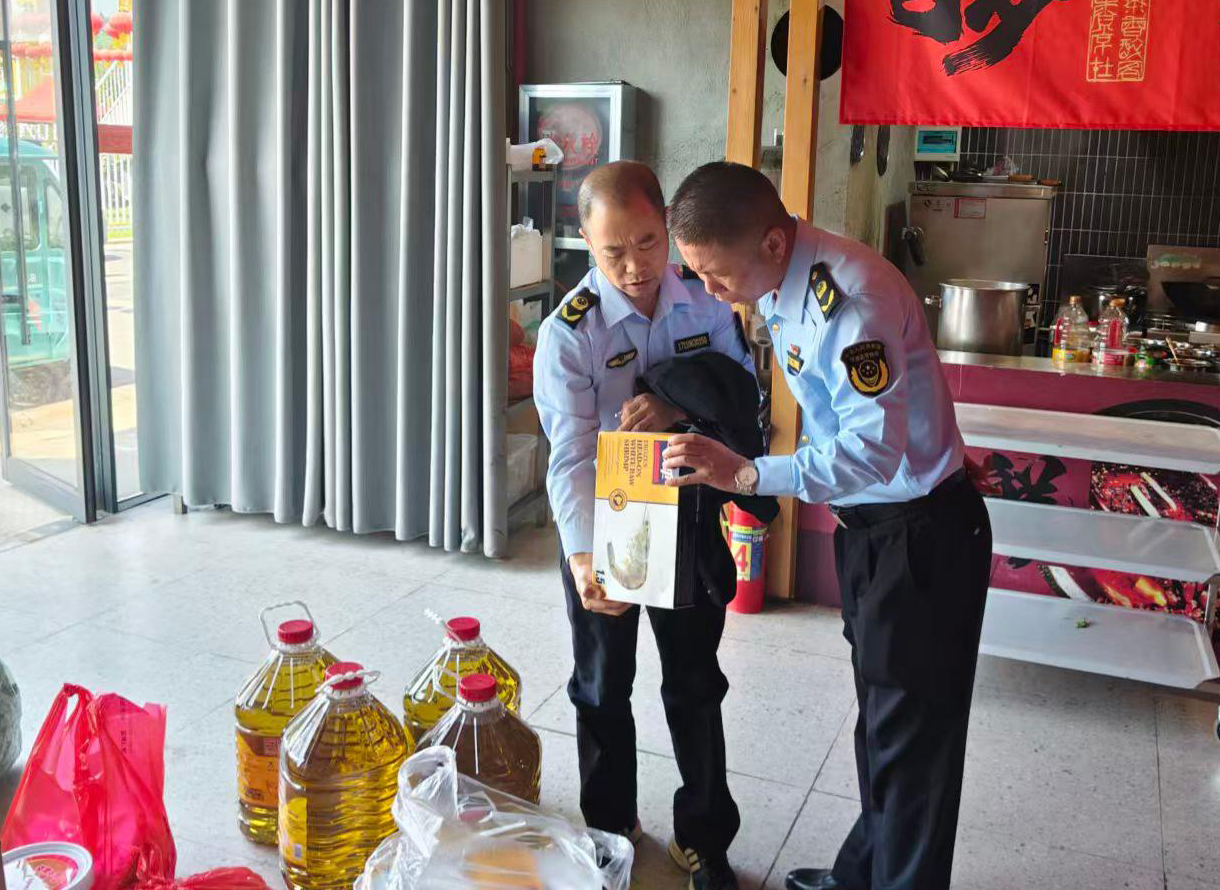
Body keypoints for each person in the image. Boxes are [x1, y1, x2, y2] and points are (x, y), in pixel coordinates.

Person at [662, 161, 993, 890]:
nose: (710, 291)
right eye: (698, 274)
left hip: (918, 538)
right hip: (876, 529)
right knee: (884, 725)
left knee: (912, 750)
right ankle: (862, 875)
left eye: (716, 274)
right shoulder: (787, 283)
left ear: (773, 242)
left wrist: (747, 474)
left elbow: (871, 451)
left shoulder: (850, 300)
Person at [532, 161, 755, 890]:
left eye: (648, 242)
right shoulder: (571, 332)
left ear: (667, 225)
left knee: (696, 683)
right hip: (610, 521)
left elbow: (741, 396)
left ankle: (705, 840)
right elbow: (570, 454)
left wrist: (676, 404)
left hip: (689, 514)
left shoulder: (706, 302)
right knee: (602, 686)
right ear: (586, 245)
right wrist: (581, 556)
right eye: (613, 252)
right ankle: (610, 829)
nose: (634, 266)